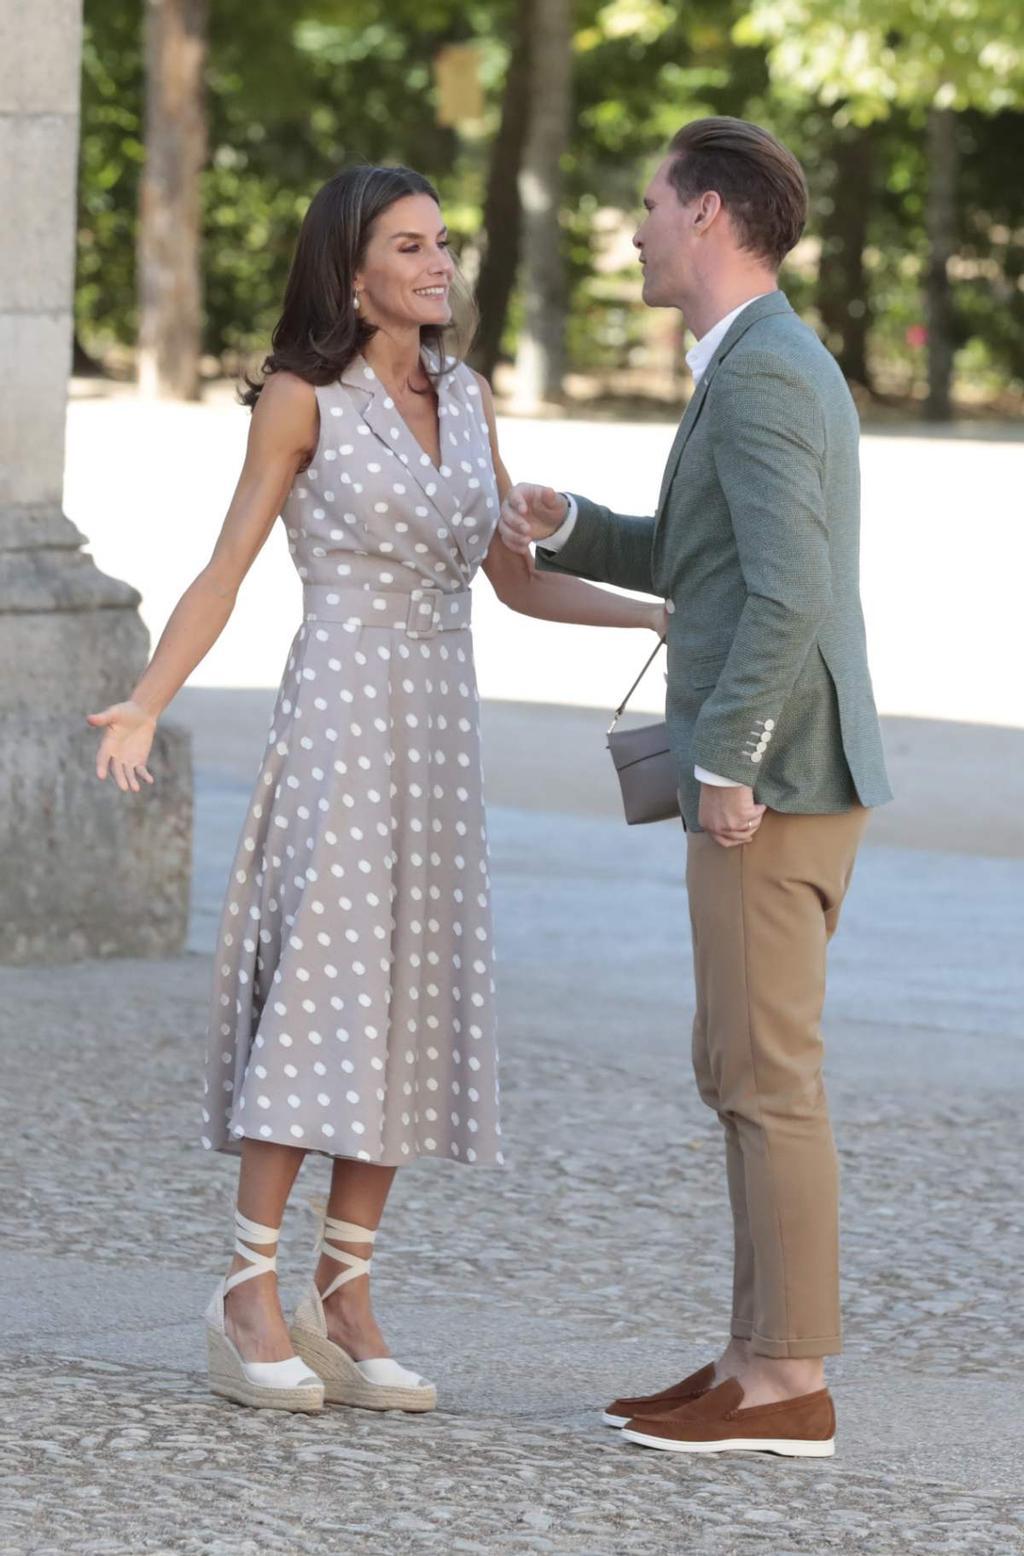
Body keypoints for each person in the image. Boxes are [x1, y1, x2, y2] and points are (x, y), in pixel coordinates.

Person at [87, 164, 666, 1415]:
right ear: (352, 273)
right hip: (342, 719)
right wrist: (146, 698)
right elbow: (229, 563)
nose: (439, 262)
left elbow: (514, 579)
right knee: (319, 997)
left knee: (409, 1000)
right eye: (411, 246)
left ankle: (344, 1292)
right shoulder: (302, 400)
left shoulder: (466, 393)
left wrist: (661, 610)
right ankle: (246, 1287)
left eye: (442, 242)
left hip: (439, 738)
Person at [499, 118, 892, 1457]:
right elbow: (717, 557)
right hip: (778, 777)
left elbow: (789, 591)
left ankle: (789, 1386)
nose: (638, 230)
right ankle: (752, 1359)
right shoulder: (755, 363)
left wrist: (729, 760)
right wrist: (572, 525)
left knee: (767, 1076)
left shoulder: (769, 371)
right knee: (738, 1066)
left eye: (653, 206)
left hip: (775, 784)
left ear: (710, 215)